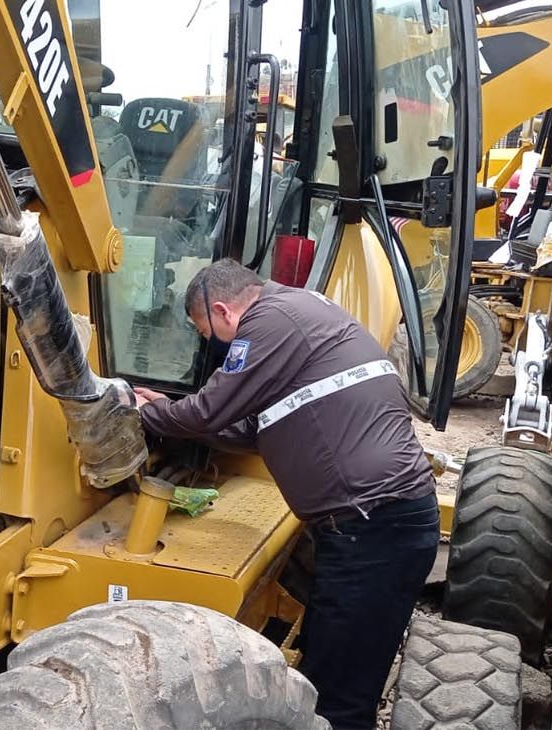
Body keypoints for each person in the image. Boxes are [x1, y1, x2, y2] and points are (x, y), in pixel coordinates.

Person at [134, 259, 439, 730]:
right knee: (328, 665)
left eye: (207, 334)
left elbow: (210, 410)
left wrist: (146, 414)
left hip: (374, 527)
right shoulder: (300, 311)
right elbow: (252, 428)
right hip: (374, 525)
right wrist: (179, 414)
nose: (212, 345)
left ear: (222, 310)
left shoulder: (269, 320)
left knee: (338, 693)